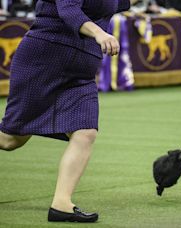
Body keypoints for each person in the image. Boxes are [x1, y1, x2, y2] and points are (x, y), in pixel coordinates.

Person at [0, 0, 136, 223]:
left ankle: (61, 205)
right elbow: (69, 10)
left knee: (86, 132)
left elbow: (122, 3)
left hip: (81, 72)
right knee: (11, 140)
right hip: (44, 60)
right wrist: (100, 34)